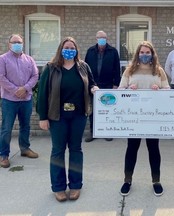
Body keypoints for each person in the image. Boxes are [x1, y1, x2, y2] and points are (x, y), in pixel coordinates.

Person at [36, 37, 98, 202]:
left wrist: (95, 88)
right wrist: (43, 117)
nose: (69, 50)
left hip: (78, 116)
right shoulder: (51, 68)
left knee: (76, 150)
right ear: (60, 49)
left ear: (76, 50)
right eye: (66, 47)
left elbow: (92, 83)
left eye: (72, 47)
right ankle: (58, 187)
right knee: (58, 151)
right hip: (57, 117)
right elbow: (42, 94)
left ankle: (76, 185)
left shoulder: (83, 67)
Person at [118, 41, 170, 197]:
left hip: (153, 117)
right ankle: (127, 180)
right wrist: (128, 89)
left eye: (148, 52)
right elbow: (120, 90)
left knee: (153, 149)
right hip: (134, 118)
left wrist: (159, 89)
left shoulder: (158, 71)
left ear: (152, 54)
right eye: (142, 52)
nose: (145, 55)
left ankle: (156, 181)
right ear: (138, 54)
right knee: (131, 149)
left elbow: (168, 90)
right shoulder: (129, 70)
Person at [0, 34, 39, 168]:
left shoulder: (29, 59)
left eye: (19, 42)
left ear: (23, 43)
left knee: (25, 126)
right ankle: (3, 155)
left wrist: (26, 88)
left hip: (26, 99)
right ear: (9, 44)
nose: (17, 44)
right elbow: (1, 77)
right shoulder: (3, 59)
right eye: (14, 42)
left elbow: (35, 75)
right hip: (9, 100)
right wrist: (16, 90)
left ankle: (25, 149)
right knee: (6, 128)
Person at [84, 30, 121, 142]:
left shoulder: (113, 51)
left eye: (104, 37)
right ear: (96, 39)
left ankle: (107, 132)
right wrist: (88, 84)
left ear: (106, 39)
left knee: (108, 109)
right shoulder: (90, 51)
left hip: (108, 85)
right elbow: (85, 68)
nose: (102, 39)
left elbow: (117, 68)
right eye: (100, 37)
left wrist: (116, 84)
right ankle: (93, 132)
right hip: (94, 85)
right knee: (93, 110)